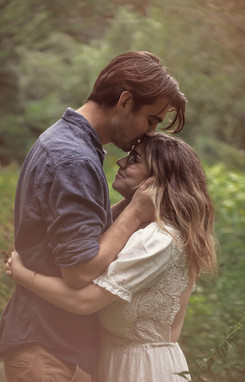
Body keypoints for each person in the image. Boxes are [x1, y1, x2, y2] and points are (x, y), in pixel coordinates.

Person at [0, 51, 187, 382]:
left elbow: (80, 235)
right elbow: (80, 270)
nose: (149, 132)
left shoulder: (67, 144)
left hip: (52, 346)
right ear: (125, 101)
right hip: (48, 349)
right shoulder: (73, 159)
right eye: (152, 119)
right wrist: (134, 214)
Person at [6, 133, 217, 382]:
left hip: (143, 369)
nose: (120, 163)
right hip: (114, 360)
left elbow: (84, 301)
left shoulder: (160, 239)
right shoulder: (139, 229)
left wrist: (22, 274)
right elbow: (97, 238)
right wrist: (134, 207)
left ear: (156, 182)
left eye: (134, 159)